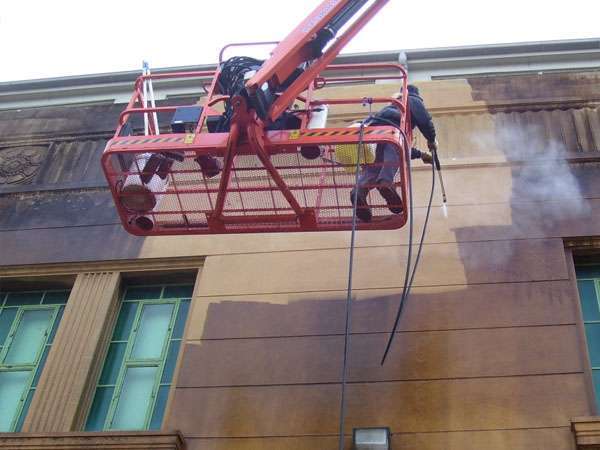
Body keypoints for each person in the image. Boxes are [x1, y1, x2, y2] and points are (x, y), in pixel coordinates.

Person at [350, 84, 438, 222]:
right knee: (393, 154)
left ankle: (359, 191)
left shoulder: (388, 108)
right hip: (393, 133)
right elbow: (424, 120)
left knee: (376, 165)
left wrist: (421, 155)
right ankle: (386, 182)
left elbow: (404, 150)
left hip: (373, 133)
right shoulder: (412, 99)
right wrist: (432, 139)